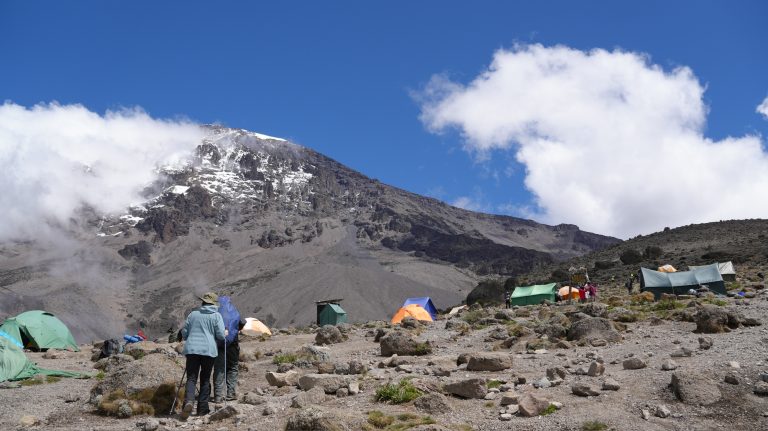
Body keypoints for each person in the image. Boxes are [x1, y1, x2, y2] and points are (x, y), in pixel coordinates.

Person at [180, 292, 225, 420]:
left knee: (191, 378)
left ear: (203, 302)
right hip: (208, 350)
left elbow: (184, 332)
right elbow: (221, 335)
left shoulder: (193, 314)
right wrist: (224, 333)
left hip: (192, 349)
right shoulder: (217, 316)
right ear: (214, 304)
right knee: (205, 378)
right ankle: (202, 409)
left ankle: (189, 401)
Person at [213, 296, 244, 403]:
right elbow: (242, 322)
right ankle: (231, 393)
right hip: (233, 345)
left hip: (219, 345)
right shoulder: (234, 311)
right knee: (233, 367)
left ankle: (218, 395)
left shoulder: (216, 312)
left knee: (219, 368)